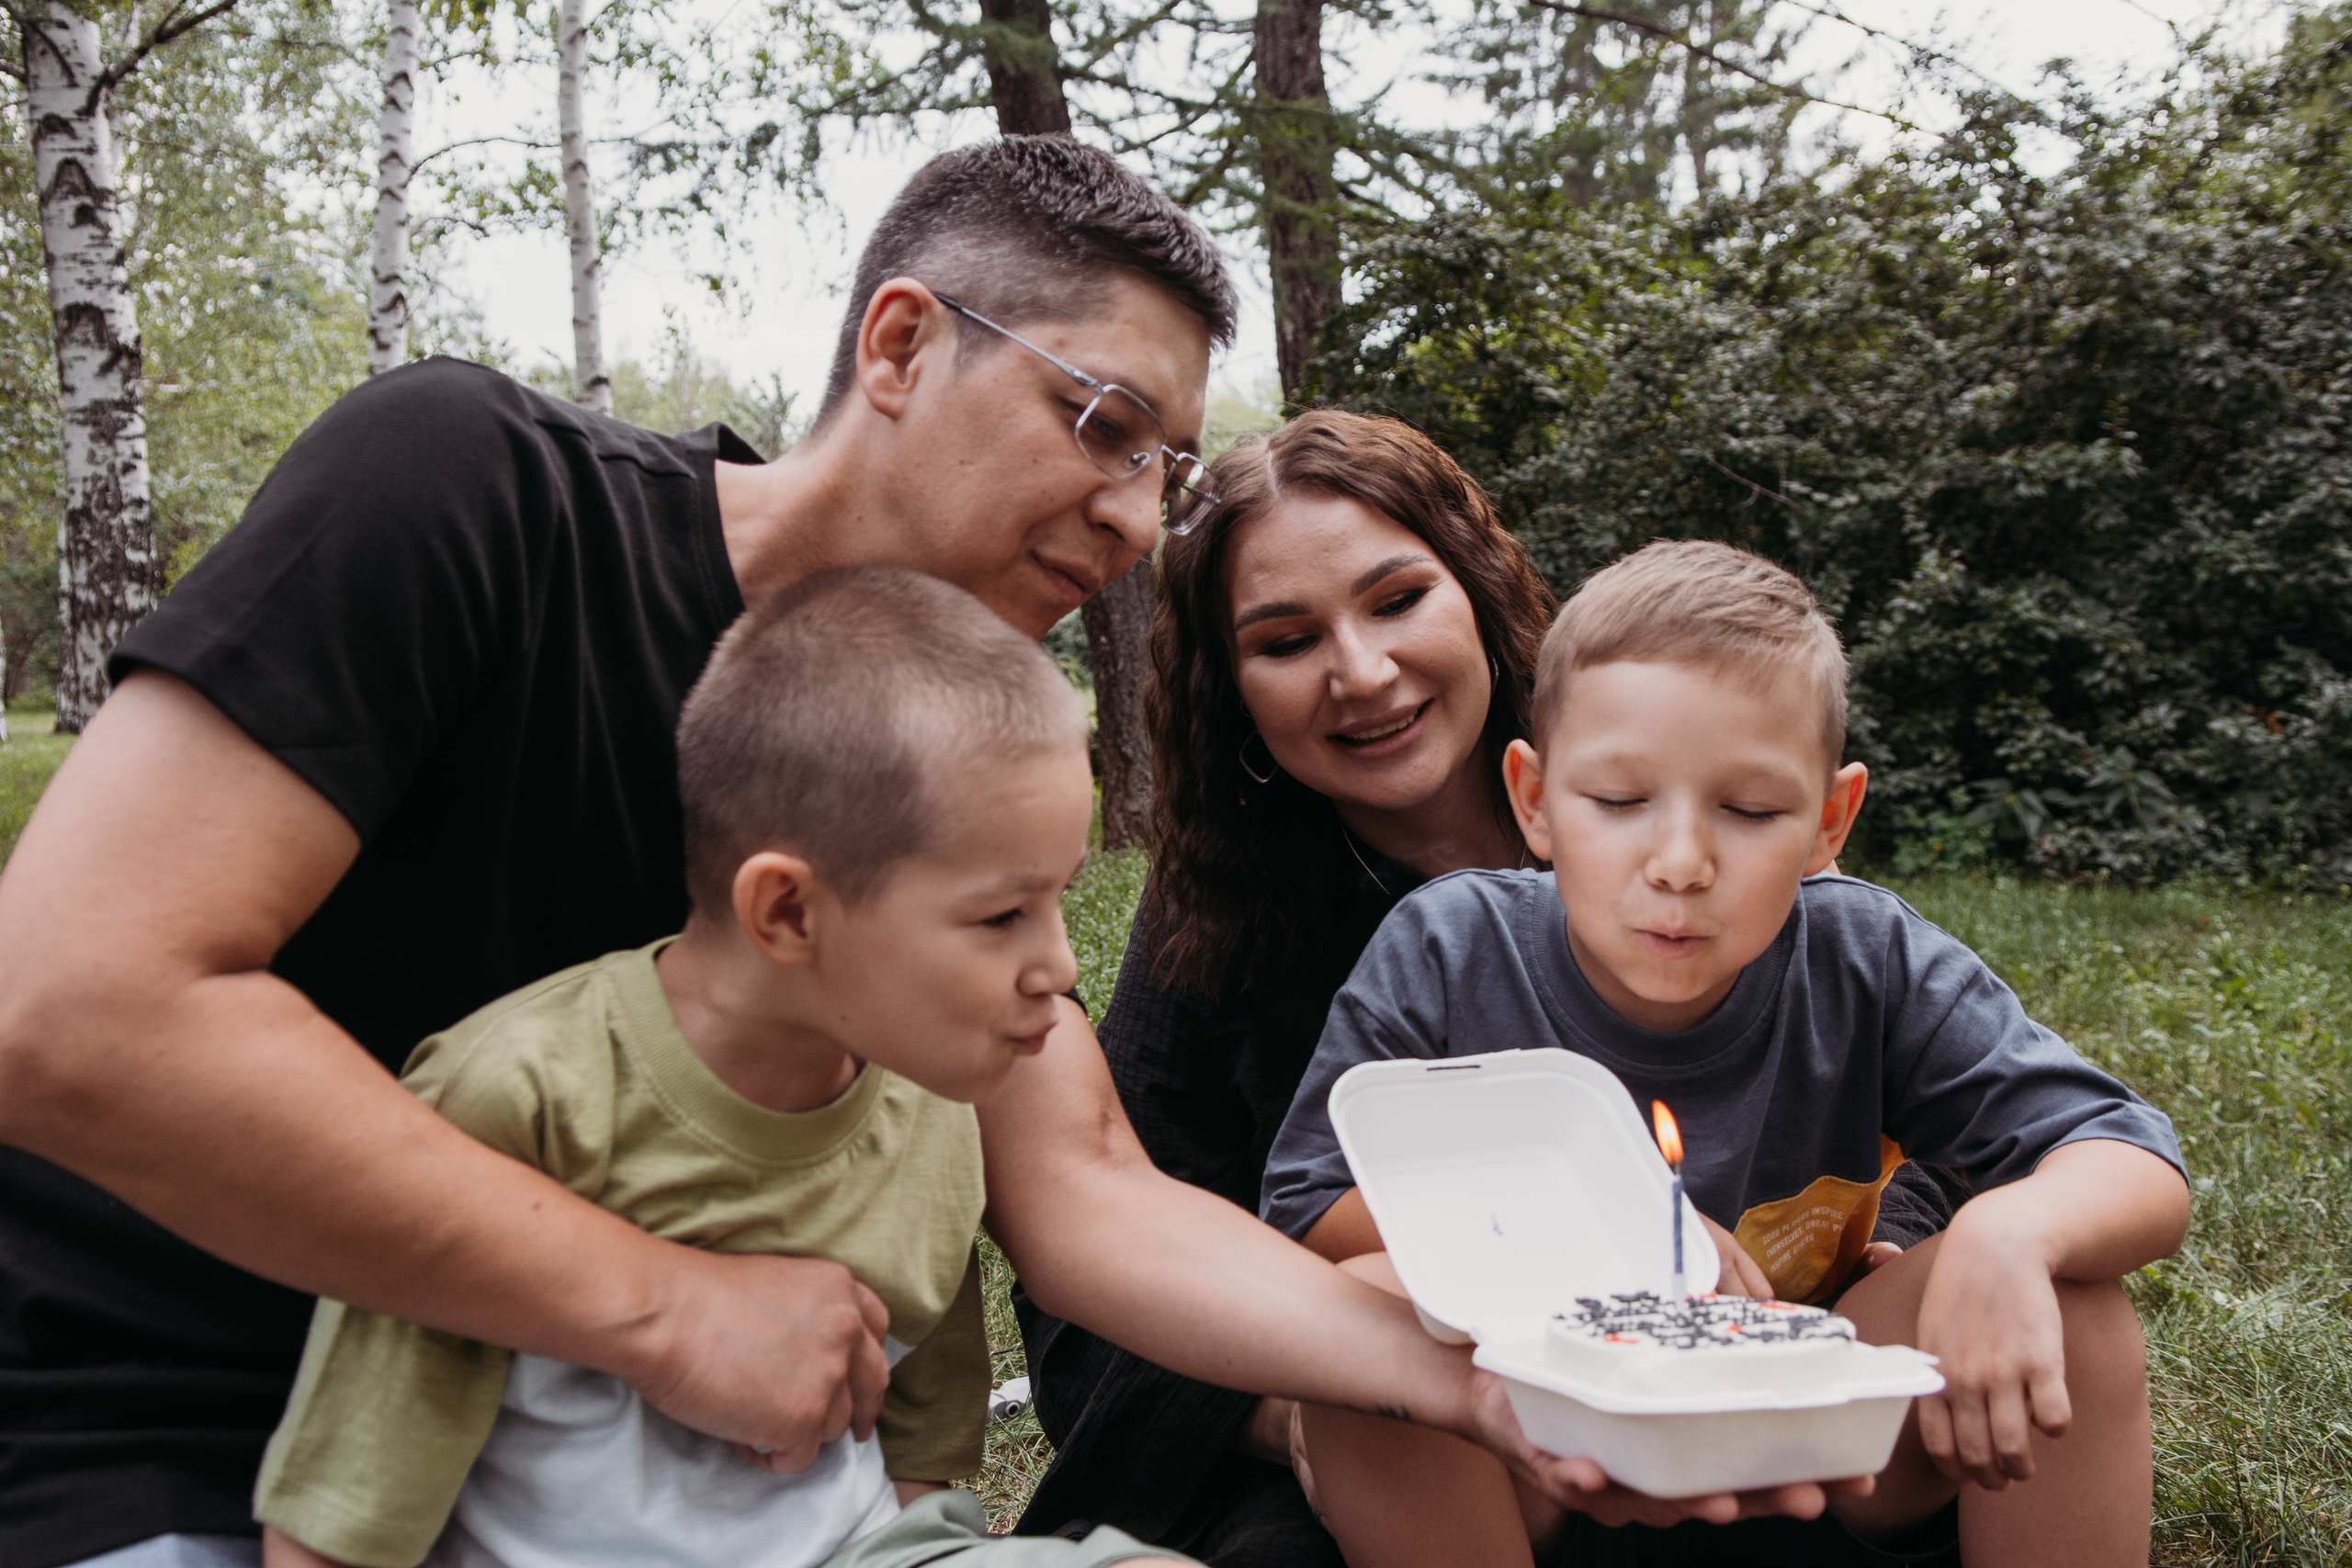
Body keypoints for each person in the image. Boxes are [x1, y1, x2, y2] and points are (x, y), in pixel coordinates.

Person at [0, 137, 1727, 1568]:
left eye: (1167, 465)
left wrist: (1471, 1373)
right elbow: (72, 1006)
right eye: (1102, 424)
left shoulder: (959, 741)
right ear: (899, 347)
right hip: (176, 1450)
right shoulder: (476, 497)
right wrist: (655, 1306)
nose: (1139, 520)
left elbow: (1092, 1194)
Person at [1013, 415, 1964, 1566]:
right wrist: (1322, 1403)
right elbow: (1110, 1291)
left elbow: (1910, 1093)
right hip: (1418, 1427)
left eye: (1397, 599)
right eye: (1284, 639)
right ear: (1234, 691)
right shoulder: (1217, 923)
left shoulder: (1662, 800)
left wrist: (1885, 1255)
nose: (1361, 673)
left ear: (1477, 590)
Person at [1258, 539, 2193, 1567]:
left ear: (1828, 821)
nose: (1679, 863)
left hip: (1815, 1444)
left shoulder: (1865, 957)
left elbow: (2136, 1162)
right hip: (1542, 1447)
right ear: (1533, 799)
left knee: (2070, 1301)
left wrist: (2010, 1230)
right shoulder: (1449, 949)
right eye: (1617, 801)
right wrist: (1612, 1239)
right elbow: (1309, 1215)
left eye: (1748, 811)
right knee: (1357, 1324)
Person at [255, 569, 1186, 1568]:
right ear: (786, 913)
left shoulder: (931, 1102)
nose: (1059, 965)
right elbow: (340, 1515)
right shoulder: (520, 1098)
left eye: (1058, 902)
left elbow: (922, 1449)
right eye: (1004, 916)